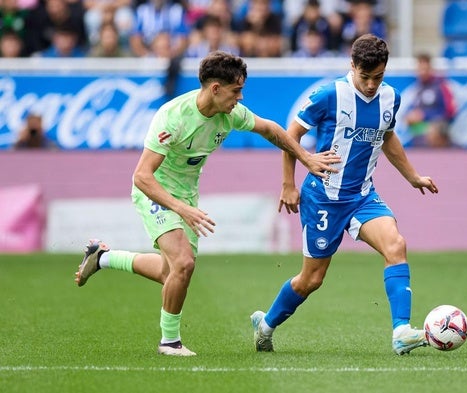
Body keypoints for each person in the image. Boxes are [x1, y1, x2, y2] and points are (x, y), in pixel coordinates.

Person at [74, 51, 341, 357]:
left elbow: (271, 129)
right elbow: (142, 177)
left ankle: (103, 257)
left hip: (186, 195)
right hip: (157, 192)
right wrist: (181, 208)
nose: (240, 98)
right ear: (215, 89)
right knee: (184, 264)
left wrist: (306, 158)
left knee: (170, 272)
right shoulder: (173, 117)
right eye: (236, 91)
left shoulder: (231, 114)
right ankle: (169, 342)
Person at [250, 34, 439, 356]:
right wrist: (288, 185)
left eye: (377, 77)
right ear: (351, 66)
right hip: (323, 197)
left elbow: (387, 135)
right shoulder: (329, 95)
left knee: (396, 244)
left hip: (363, 196)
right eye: (364, 77)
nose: (370, 85)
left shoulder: (390, 97)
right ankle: (266, 325)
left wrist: (412, 176)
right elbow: (289, 135)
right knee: (311, 280)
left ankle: (401, 331)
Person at [402, 53, 456, 148]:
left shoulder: (441, 86)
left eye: (425, 69)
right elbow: (412, 109)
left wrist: (424, 115)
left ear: (430, 69)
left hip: (439, 125)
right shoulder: (417, 88)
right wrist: (410, 116)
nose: (422, 72)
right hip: (422, 126)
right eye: (420, 69)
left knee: (432, 130)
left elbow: (450, 111)